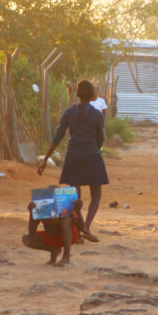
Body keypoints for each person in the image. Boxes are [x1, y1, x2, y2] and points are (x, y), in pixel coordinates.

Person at [38, 80, 108, 243]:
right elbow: (100, 139)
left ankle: (78, 228)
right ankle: (86, 227)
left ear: (77, 95)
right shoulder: (97, 114)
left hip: (73, 155)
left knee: (74, 196)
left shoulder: (69, 112)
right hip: (91, 154)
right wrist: (94, 151)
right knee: (96, 194)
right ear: (92, 96)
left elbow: (58, 136)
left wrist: (45, 159)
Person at [22, 198, 85, 266]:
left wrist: (77, 210)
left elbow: (81, 228)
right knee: (26, 239)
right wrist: (32, 214)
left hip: (68, 237)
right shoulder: (42, 209)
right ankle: (54, 250)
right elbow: (32, 233)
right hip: (52, 237)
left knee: (66, 220)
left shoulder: (66, 209)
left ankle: (66, 256)